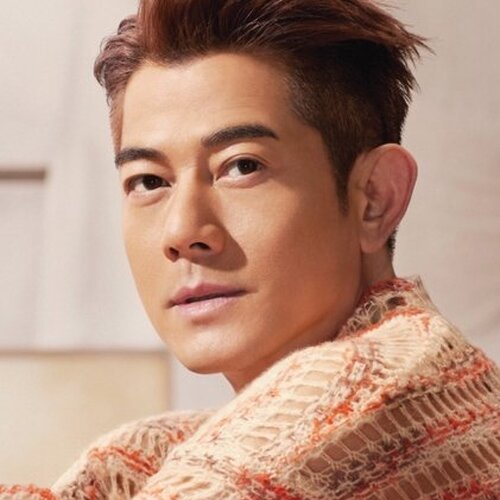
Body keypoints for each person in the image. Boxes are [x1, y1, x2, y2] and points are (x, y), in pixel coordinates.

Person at [2, 0, 499, 498]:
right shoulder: (151, 456)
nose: (182, 231)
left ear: (375, 198)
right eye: (149, 181)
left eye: (242, 167)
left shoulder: (366, 396)